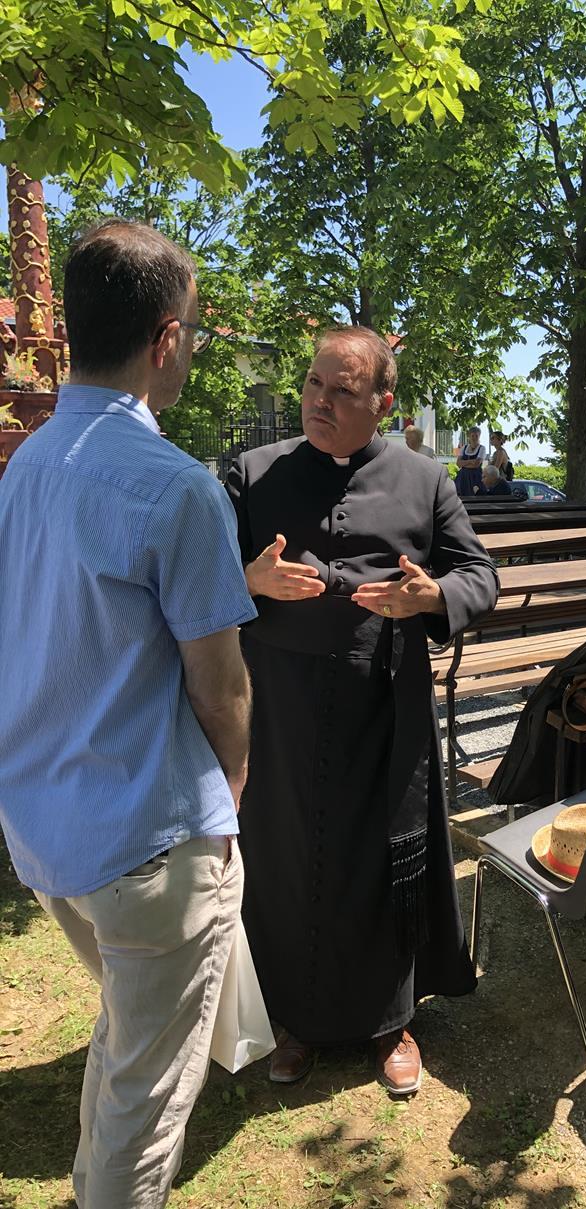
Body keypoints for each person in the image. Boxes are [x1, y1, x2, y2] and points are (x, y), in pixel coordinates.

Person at [0, 220, 256, 1208]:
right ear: (166, 338)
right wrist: (229, 800)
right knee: (142, 1114)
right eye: (191, 330)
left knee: (127, 1043)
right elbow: (221, 689)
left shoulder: (27, 464)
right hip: (150, 842)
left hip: (47, 831)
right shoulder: (176, 486)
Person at [227, 326, 499, 1094]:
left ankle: (391, 1021)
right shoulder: (253, 472)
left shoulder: (424, 478)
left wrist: (433, 595)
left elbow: (479, 574)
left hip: (385, 707)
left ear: (382, 402)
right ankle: (293, 1020)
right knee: (284, 858)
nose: (319, 401)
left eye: (342, 391)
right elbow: (198, 577)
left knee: (388, 860)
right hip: (280, 710)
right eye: (314, 384)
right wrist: (247, 582)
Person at [454, 425, 485, 497]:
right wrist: (471, 461)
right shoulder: (464, 447)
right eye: (472, 436)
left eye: (476, 436)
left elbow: (476, 464)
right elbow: (458, 463)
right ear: (469, 436)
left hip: (476, 477)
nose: (474, 438)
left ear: (479, 436)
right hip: (463, 477)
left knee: (475, 495)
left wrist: (464, 463)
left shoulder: (482, 448)